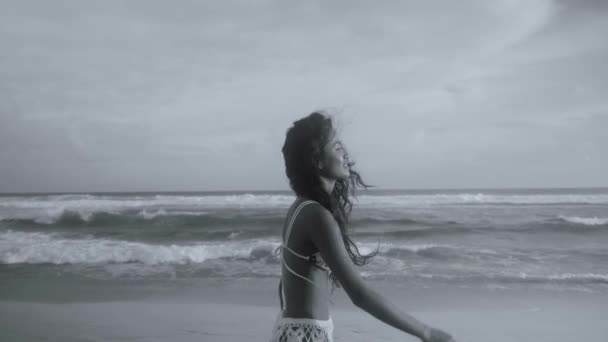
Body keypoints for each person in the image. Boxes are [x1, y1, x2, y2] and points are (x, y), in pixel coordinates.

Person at [269, 111, 456, 342]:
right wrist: (425, 332)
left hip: (296, 332)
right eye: (337, 147)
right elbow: (359, 295)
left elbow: (286, 282)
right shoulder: (317, 215)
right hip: (306, 335)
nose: (346, 154)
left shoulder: (300, 207)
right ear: (316, 160)